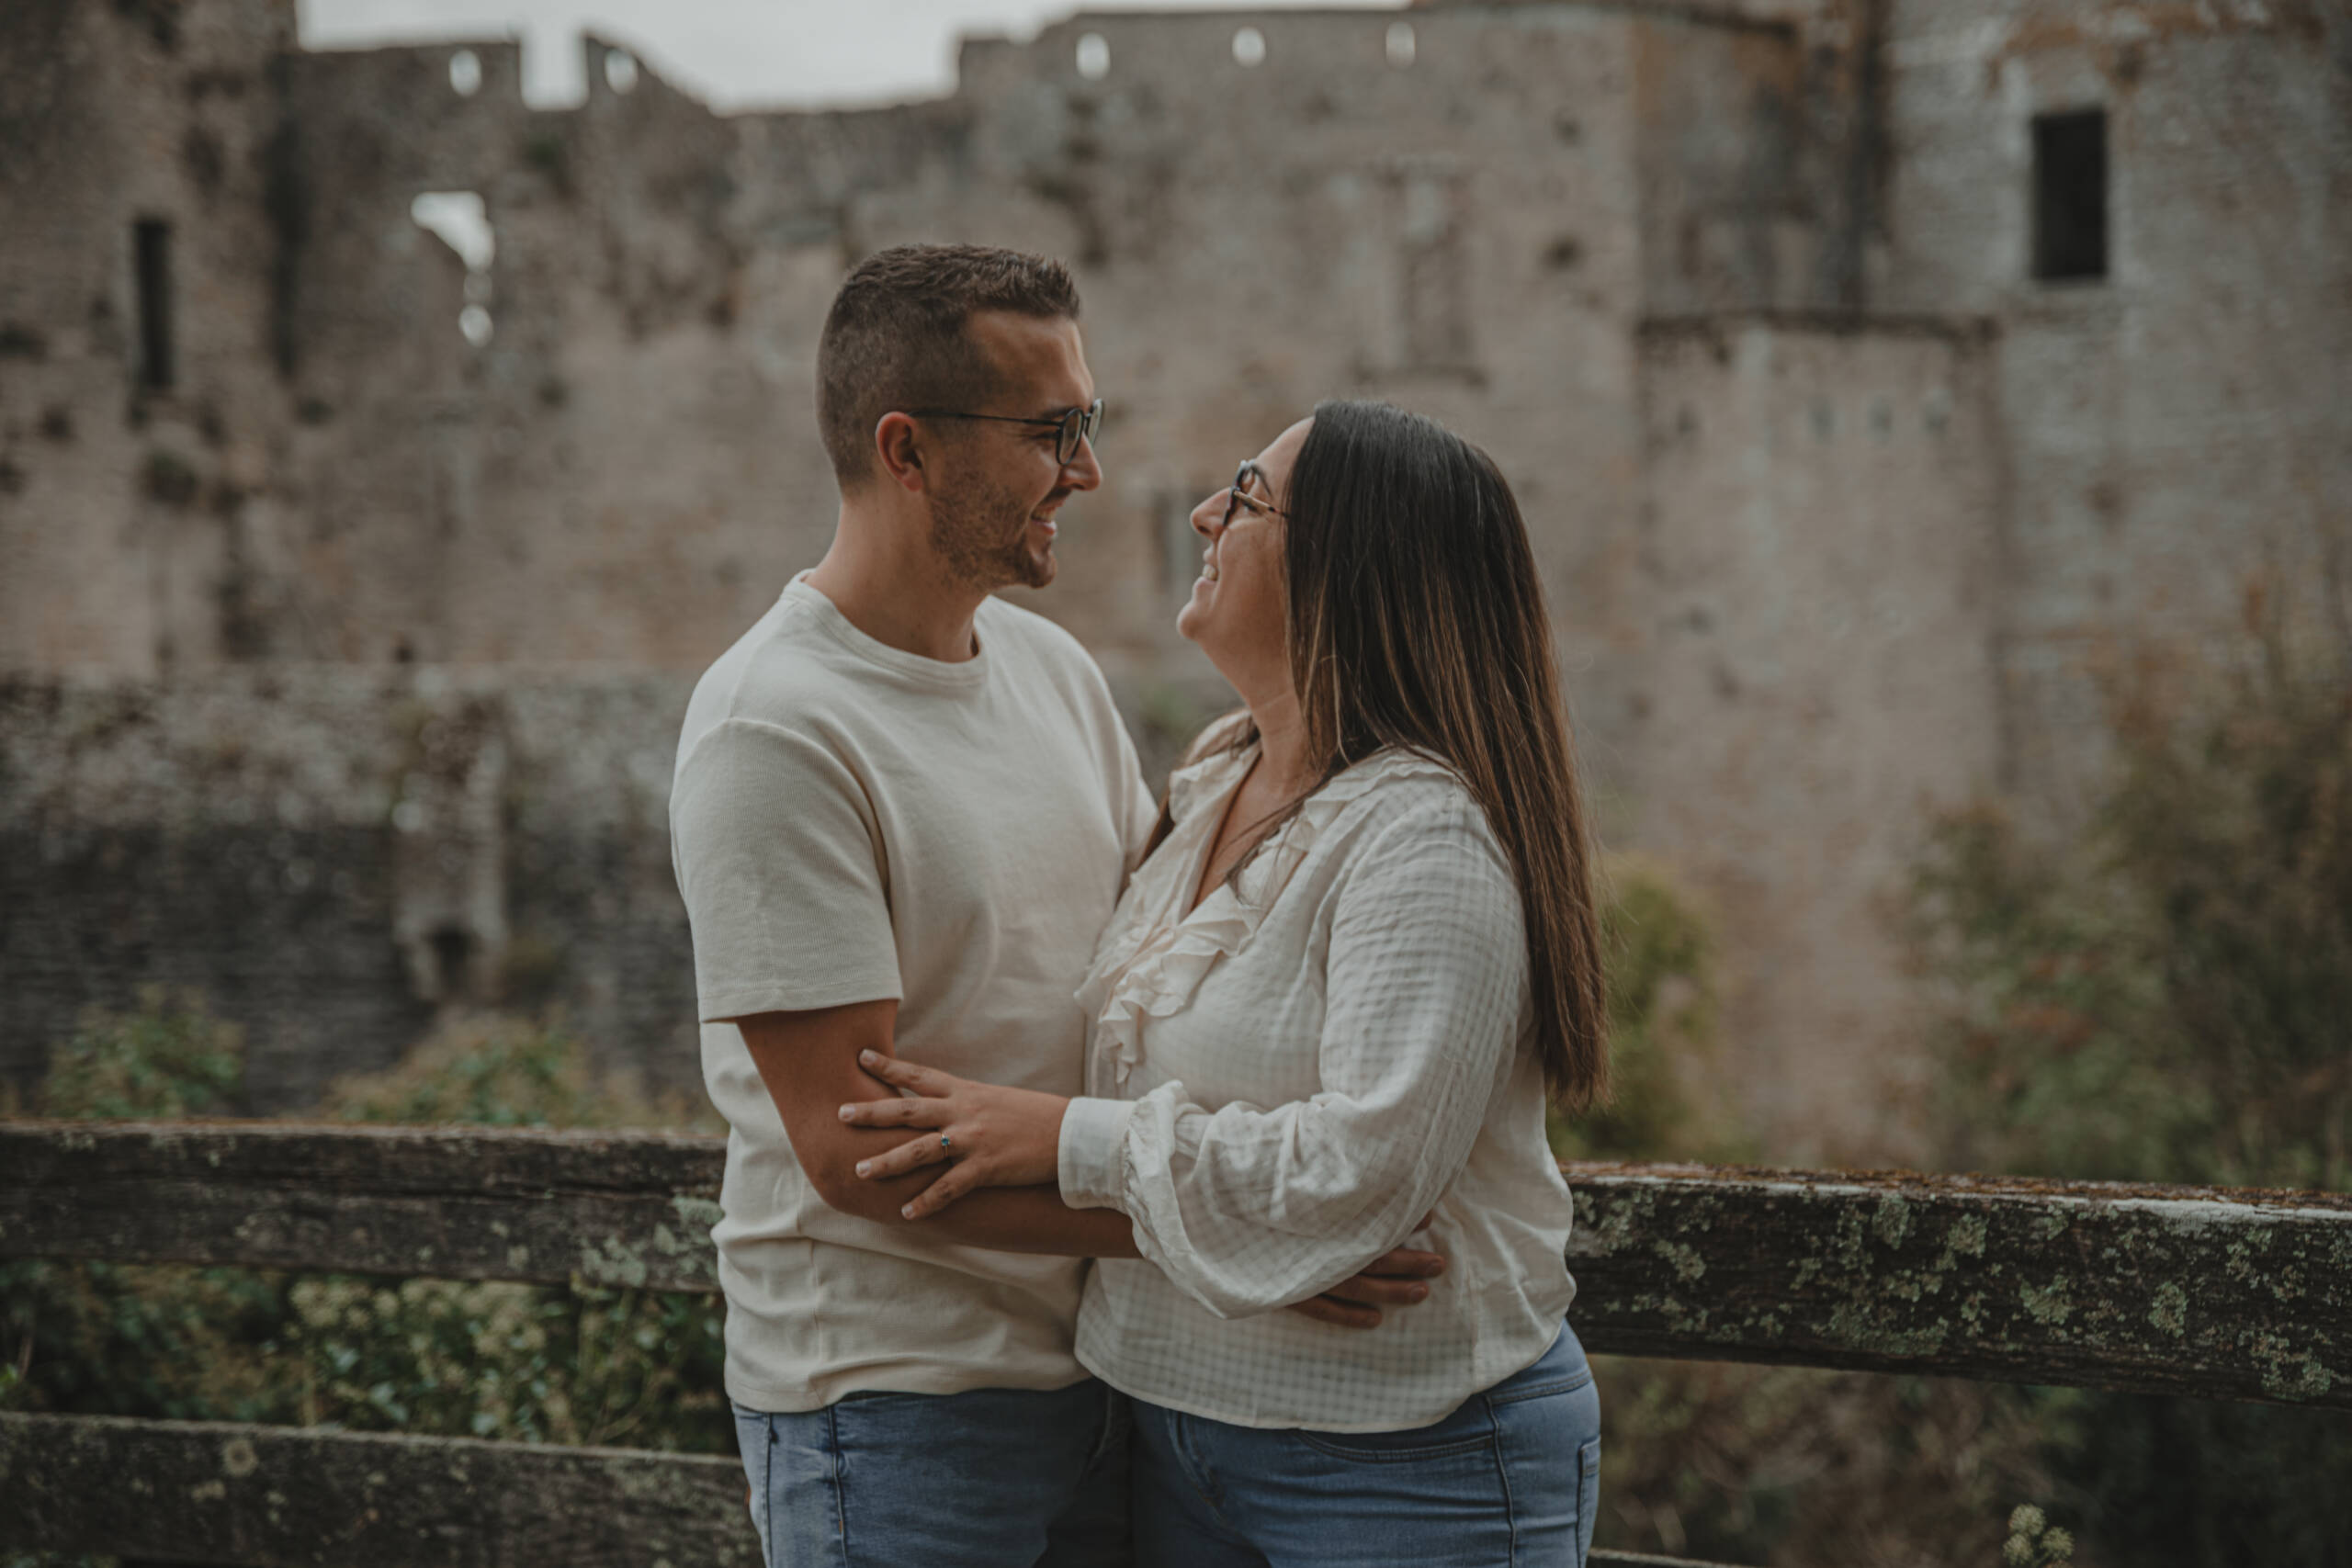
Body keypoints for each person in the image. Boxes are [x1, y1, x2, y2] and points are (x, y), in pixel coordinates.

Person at [669, 247, 1444, 1568]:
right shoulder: (774, 728)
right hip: (897, 1401)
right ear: (906, 451)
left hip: (1105, 1376)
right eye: (1052, 432)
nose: (1086, 471)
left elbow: (1182, 965)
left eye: (1087, 425)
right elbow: (853, 1150)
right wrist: (1259, 1234)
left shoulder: (1050, 668)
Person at [837, 400, 1612, 1566]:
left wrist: (1067, 1139)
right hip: (1170, 1435)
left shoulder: (1423, 840)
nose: (1205, 512)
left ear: (1349, 564)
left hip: (1406, 1467)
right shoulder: (1212, 777)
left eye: (1246, 497)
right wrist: (1242, 1238)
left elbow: (1361, 1180)